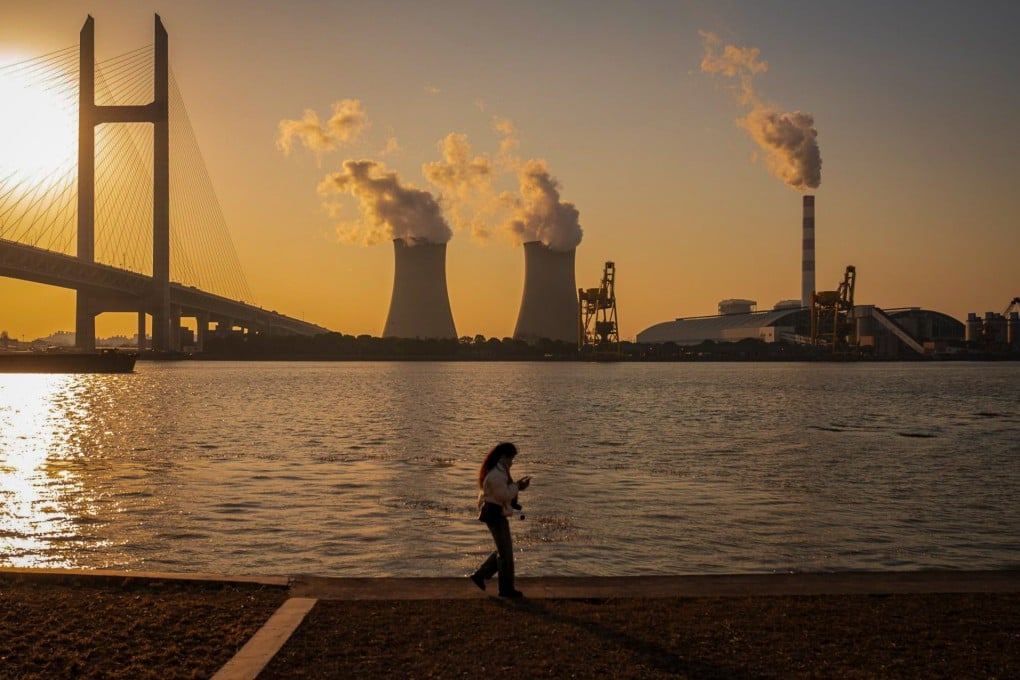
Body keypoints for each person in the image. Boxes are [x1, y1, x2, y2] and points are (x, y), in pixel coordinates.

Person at [469, 442, 531, 598]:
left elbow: (503, 493)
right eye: (511, 458)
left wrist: (517, 486)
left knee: (503, 550)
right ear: (504, 457)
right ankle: (505, 589)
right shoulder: (497, 474)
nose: (512, 462)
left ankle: (481, 576)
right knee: (505, 553)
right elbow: (502, 495)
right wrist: (517, 486)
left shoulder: (499, 470)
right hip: (494, 514)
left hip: (495, 513)